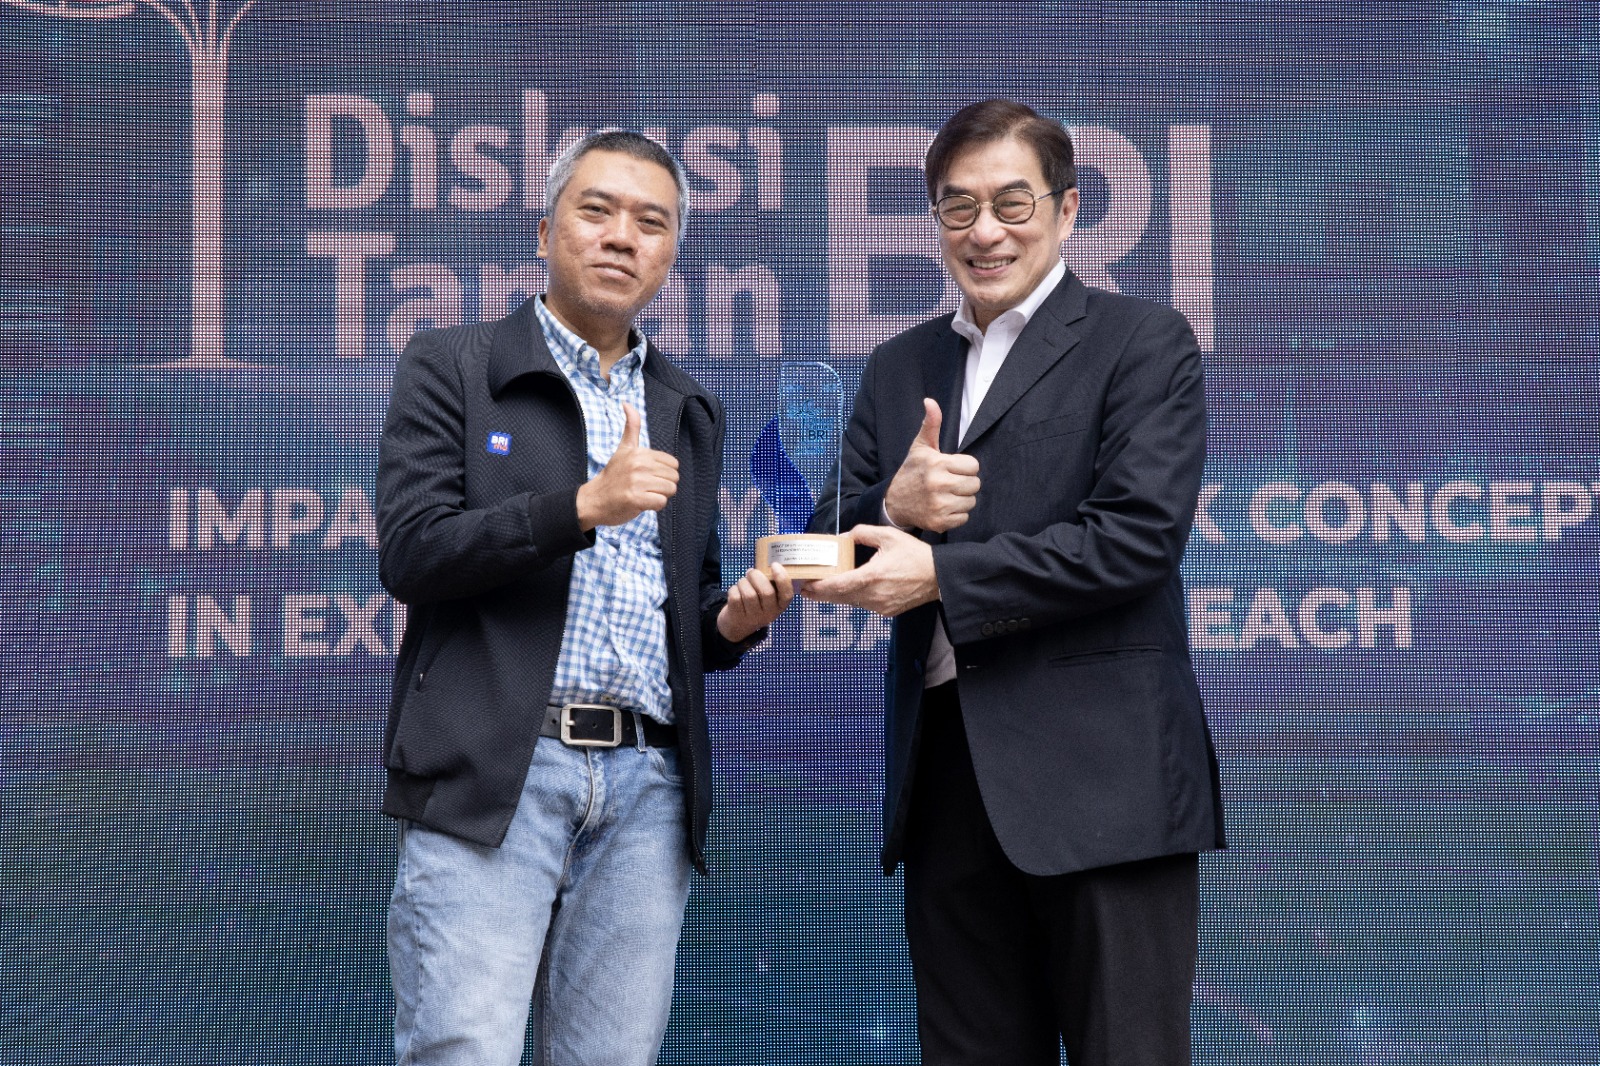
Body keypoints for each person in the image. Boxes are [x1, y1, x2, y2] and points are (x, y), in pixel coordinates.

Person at [804, 99, 1226, 1066]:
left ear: (1068, 210)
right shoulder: (898, 366)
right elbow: (819, 549)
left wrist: (942, 575)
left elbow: (1136, 539)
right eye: (958, 207)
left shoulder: (1143, 340)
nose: (984, 231)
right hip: (947, 783)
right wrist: (890, 501)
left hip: (1107, 784)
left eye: (1011, 203)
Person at [374, 129, 793, 1066]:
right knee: (461, 1051)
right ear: (544, 230)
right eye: (596, 211)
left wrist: (732, 623)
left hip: (648, 787)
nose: (621, 237)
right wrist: (580, 508)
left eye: (651, 222)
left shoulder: (687, 407)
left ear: (671, 254)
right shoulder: (455, 365)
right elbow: (411, 553)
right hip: (499, 771)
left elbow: (686, 608)